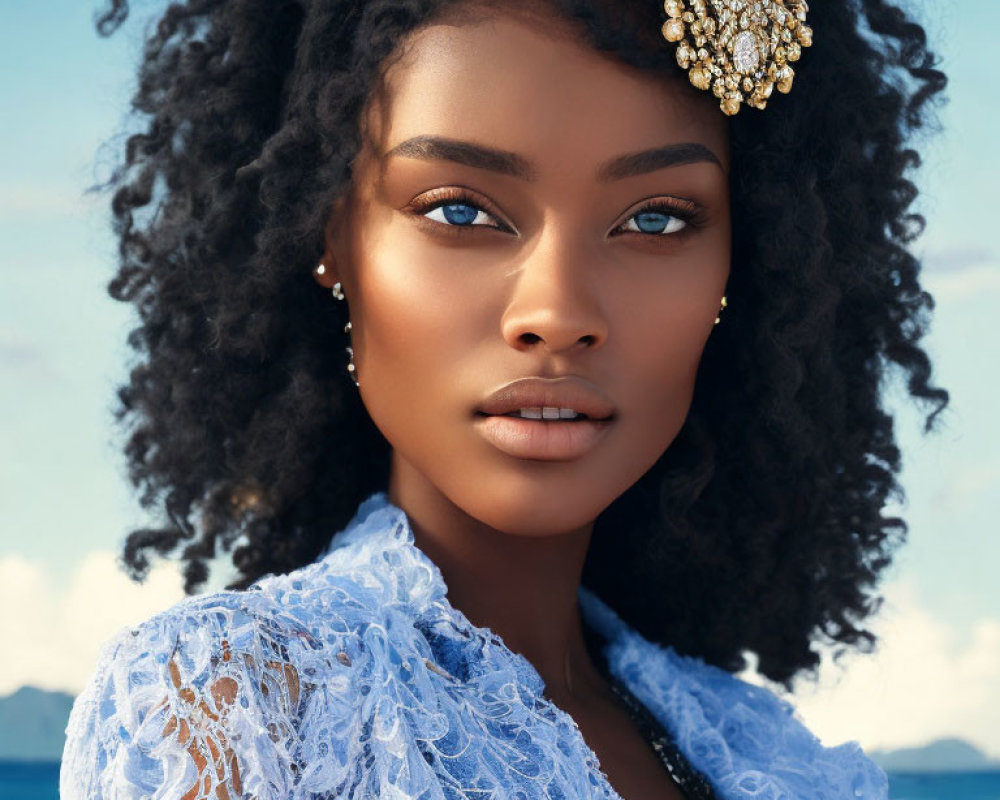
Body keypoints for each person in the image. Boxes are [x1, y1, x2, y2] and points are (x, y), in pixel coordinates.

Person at [60, 0, 948, 798]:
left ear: (741, 272)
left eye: (655, 220)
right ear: (330, 236)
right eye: (460, 212)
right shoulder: (230, 702)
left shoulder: (772, 758)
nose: (557, 314)